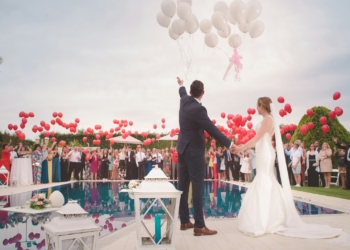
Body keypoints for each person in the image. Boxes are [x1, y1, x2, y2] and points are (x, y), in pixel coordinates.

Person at [233, 97, 342, 239]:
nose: (256, 108)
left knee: (265, 178)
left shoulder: (268, 119)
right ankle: (269, 216)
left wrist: (241, 147)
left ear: (262, 106)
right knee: (265, 178)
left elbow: (257, 138)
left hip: (265, 152)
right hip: (263, 151)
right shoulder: (268, 119)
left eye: (257, 105)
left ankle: (266, 219)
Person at [176, 77, 232, 236]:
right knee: (198, 187)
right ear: (203, 93)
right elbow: (212, 129)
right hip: (194, 152)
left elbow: (182, 92)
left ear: (191, 91)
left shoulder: (184, 100)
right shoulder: (199, 109)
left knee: (183, 186)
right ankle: (199, 225)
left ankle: (184, 221)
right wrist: (229, 144)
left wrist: (181, 85)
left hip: (182, 149)